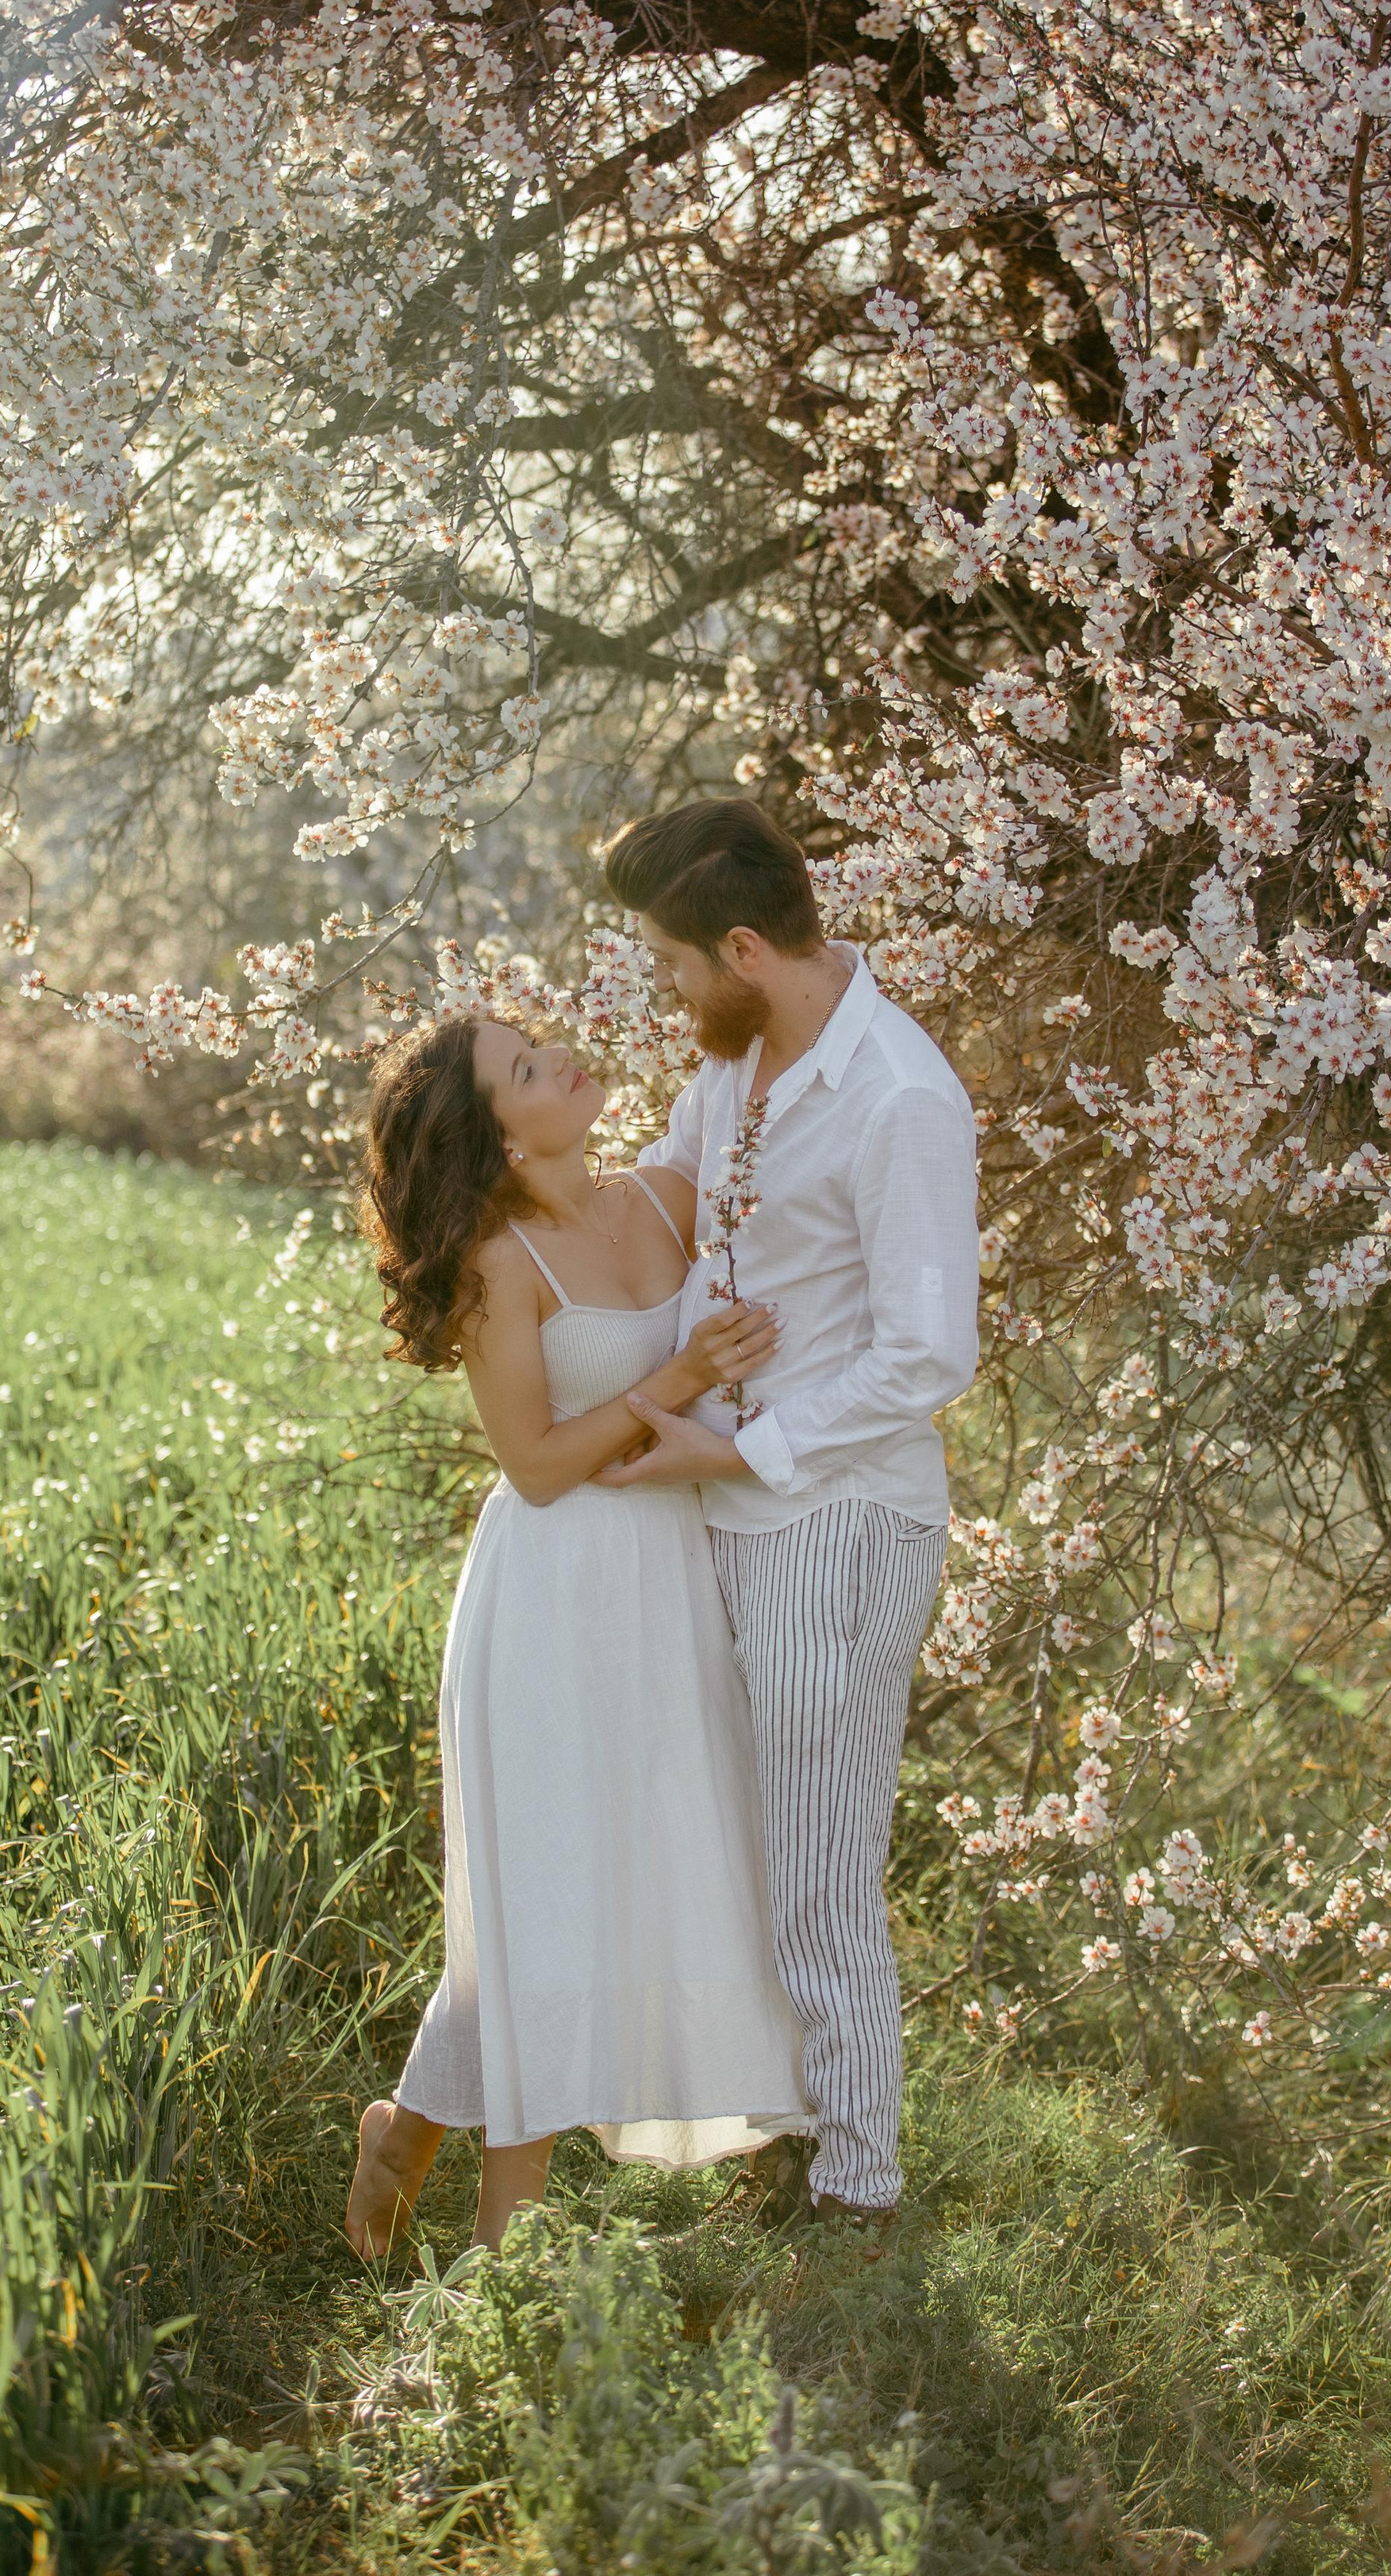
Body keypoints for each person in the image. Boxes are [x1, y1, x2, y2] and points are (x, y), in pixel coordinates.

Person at [344, 1015, 812, 2261]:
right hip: (551, 1599)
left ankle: (402, 2133)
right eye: (526, 1068)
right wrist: (677, 1375)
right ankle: (510, 2266)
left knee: (631, 1878)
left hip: (672, 1581)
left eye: (541, 1041)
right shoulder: (503, 1261)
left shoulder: (662, 1198)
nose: (560, 1058)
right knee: (546, 1902)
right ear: (497, 1133)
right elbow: (539, 1466)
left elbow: (766, 1103)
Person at [595, 796, 981, 2238]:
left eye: (677, 965)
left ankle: (860, 2188)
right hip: (732, 1503)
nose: (668, 992)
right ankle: (791, 2124)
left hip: (836, 1515)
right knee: (745, 1842)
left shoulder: (899, 1098)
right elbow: (679, 1205)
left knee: (818, 1852)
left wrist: (748, 1449)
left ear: (743, 947)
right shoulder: (745, 1058)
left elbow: (933, 1353)